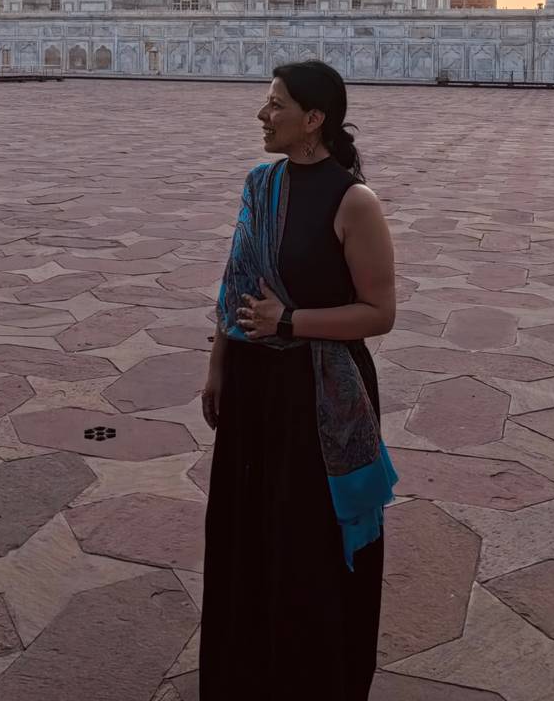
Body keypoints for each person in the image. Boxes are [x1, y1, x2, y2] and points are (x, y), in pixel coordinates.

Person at [199, 60, 397, 701]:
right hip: (257, 388)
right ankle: (247, 672)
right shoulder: (260, 183)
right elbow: (234, 288)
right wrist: (218, 365)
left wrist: (290, 320)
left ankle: (316, 679)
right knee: (250, 529)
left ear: (312, 121)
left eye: (275, 104)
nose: (262, 113)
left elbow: (379, 314)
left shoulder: (353, 201)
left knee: (309, 541)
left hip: (319, 396)